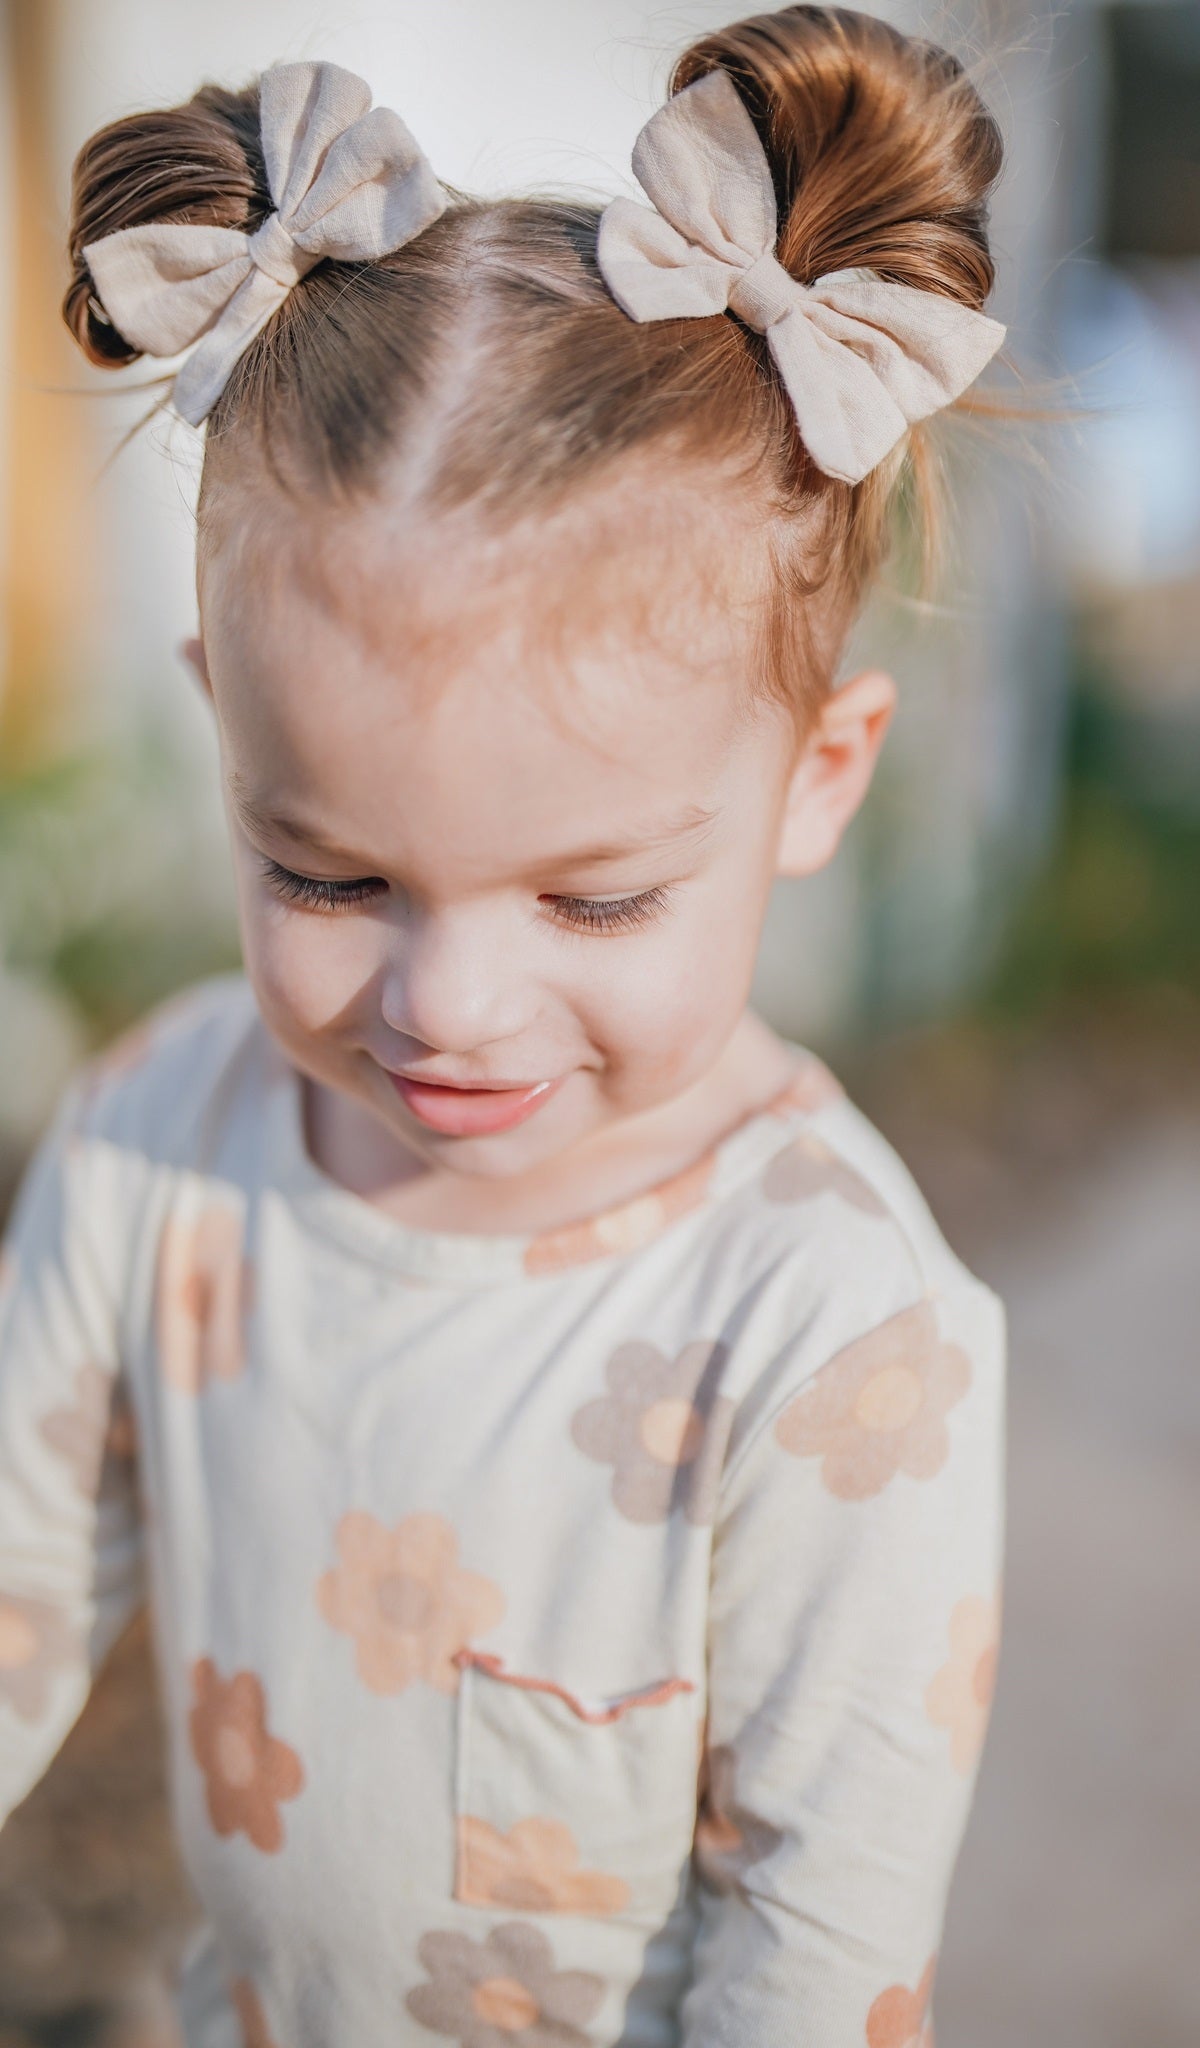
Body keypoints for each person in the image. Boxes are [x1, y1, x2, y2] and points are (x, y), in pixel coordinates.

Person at [0, 10, 1007, 2044]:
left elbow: (817, 1957)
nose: (446, 1001)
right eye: (329, 877)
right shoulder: (154, 1145)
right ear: (224, 724)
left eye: (595, 896)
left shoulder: (832, 1331)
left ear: (821, 771)